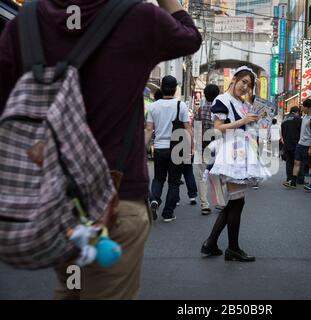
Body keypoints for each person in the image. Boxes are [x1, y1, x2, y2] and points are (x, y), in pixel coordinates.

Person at [0, 0, 201, 299]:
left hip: (56, 202)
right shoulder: (139, 18)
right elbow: (190, 37)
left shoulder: (24, 23)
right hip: (115, 204)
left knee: (71, 287)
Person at [201, 66, 270, 262]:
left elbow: (247, 125)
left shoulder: (242, 103)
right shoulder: (222, 100)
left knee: (235, 201)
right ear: (235, 79)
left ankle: (212, 243)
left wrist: (257, 121)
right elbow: (217, 128)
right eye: (243, 82)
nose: (245, 87)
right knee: (237, 201)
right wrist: (243, 121)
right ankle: (231, 248)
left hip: (242, 151)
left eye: (249, 85)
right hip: (230, 153)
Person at [147, 75, 192, 223]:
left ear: (161, 87)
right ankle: (168, 213)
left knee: (158, 178)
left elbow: (148, 130)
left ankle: (154, 199)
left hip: (159, 148)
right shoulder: (181, 105)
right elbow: (187, 128)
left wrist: (144, 148)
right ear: (175, 89)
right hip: (177, 148)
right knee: (174, 182)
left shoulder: (153, 106)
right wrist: (191, 147)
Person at [193, 84, 220, 215]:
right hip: (218, 148)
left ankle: (204, 205)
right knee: (218, 175)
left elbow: (197, 131)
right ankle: (219, 202)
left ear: (205, 95)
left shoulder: (200, 110)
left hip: (203, 147)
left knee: (202, 176)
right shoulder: (221, 111)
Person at [285, 99, 311, 189]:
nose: (302, 108)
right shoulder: (304, 117)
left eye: (304, 106)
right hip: (300, 143)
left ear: (309, 108)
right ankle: (293, 182)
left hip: (308, 145)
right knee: (296, 162)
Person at [281, 106, 302, 185]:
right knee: (298, 162)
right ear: (296, 112)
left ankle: (289, 178)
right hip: (296, 143)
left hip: (287, 144)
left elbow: (282, 133)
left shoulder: (284, 120)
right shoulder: (298, 120)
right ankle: (299, 179)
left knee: (289, 162)